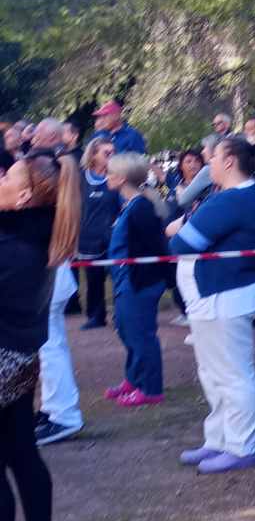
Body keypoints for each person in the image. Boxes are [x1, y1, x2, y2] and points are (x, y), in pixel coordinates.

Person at [0, 150, 81, 521]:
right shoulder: (33, 235)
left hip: (5, 355)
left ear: (25, 193)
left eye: (6, 175)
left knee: (14, 455)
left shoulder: (15, 247)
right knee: (20, 451)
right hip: (20, 357)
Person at [167, 135, 255, 474]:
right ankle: (219, 440)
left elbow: (184, 244)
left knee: (232, 374)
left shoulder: (232, 200)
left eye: (211, 158)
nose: (205, 163)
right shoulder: (228, 198)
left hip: (225, 300)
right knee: (212, 373)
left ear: (228, 161)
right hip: (213, 299)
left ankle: (241, 446)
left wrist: (180, 227)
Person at [27, 122, 83, 445]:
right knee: (51, 348)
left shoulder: (44, 205)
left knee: (50, 350)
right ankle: (56, 410)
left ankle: (63, 415)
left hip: (48, 281)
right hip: (54, 279)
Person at [101, 153, 168, 408]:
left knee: (141, 335)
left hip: (139, 282)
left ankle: (151, 388)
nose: (106, 177)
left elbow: (156, 247)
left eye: (109, 173)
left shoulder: (140, 207)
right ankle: (133, 378)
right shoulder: (130, 204)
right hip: (125, 281)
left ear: (122, 178)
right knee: (127, 330)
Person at [76, 137, 121, 330]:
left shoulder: (118, 177)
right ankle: (96, 315)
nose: (111, 156)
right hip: (88, 237)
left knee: (119, 277)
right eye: (106, 153)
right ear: (93, 154)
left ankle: (122, 315)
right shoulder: (80, 178)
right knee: (93, 279)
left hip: (114, 236)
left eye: (113, 153)